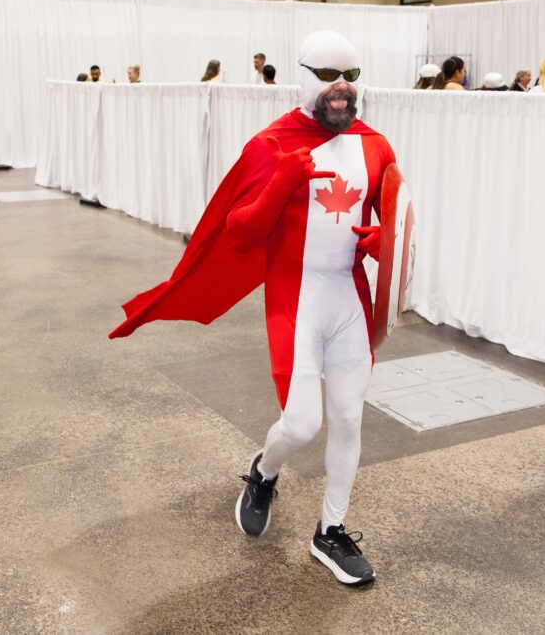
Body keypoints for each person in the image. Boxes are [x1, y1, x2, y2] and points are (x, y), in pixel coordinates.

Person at [110, 30, 395, 587]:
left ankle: (330, 531)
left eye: (352, 77)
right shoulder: (272, 145)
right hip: (298, 298)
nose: (341, 89)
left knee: (348, 416)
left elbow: (391, 217)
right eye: (329, 76)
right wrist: (282, 183)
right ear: (304, 76)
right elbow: (239, 233)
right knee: (302, 422)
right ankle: (264, 472)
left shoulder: (376, 146)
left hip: (348, 298)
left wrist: (377, 241)